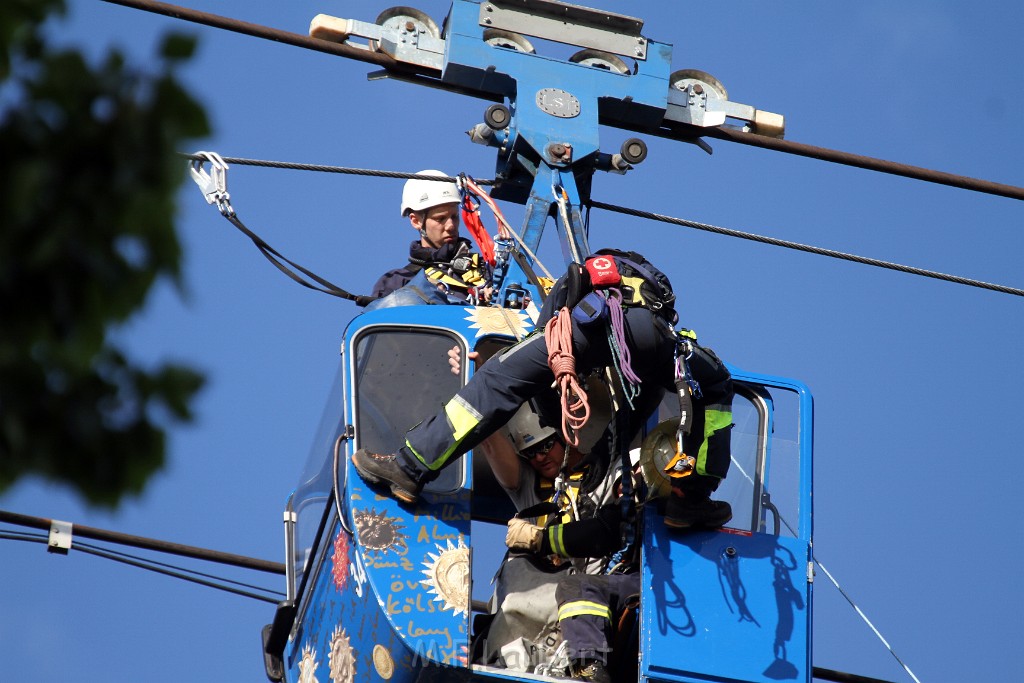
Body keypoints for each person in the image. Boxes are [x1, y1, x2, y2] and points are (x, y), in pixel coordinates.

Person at [353, 248, 733, 530]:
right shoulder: (654, 305)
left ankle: (410, 466)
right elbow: (640, 411)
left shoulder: (592, 274)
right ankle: (694, 499)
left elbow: (554, 317)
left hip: (601, 328)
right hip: (667, 350)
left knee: (495, 383)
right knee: (717, 388)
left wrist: (541, 361)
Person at [369, 169, 488, 303]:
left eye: (454, 216)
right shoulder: (398, 282)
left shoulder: (486, 272)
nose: (450, 226)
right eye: (440, 219)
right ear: (416, 221)